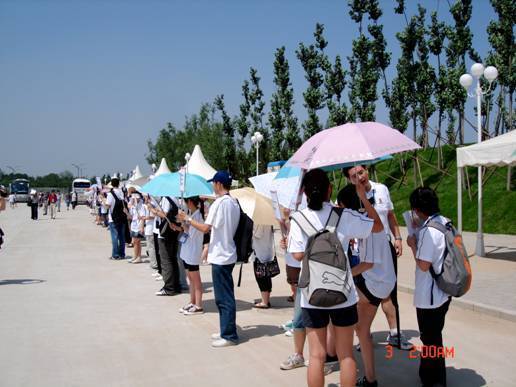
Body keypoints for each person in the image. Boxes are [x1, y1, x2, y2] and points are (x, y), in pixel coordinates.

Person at [287, 169, 383, 387]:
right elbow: (377, 226)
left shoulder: (298, 219)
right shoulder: (343, 216)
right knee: (346, 355)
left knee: (317, 356)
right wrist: (363, 197)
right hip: (344, 293)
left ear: (304, 192)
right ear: (329, 190)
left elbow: (297, 255)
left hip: (312, 294)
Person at [343, 164, 412, 350]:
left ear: (366, 171)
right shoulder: (348, 198)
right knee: (362, 298)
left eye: (361, 172)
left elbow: (390, 215)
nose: (359, 177)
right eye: (354, 175)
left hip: (382, 248)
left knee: (388, 293)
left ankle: (395, 333)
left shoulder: (381, 189)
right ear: (349, 180)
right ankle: (364, 336)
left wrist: (397, 237)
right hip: (359, 252)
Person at [337, 184, 396, 387]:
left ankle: (368, 376)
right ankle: (369, 376)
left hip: (375, 283)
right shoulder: (367, 220)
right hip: (382, 280)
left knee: (357, 325)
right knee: (362, 329)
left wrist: (346, 274)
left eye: (341, 206)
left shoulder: (369, 226)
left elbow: (368, 263)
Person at [178, 170, 240, 348]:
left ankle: (229, 335)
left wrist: (188, 219)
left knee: (224, 297)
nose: (212, 186)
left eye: (214, 183)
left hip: (222, 255)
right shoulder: (233, 202)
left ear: (219, 184)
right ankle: (225, 329)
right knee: (224, 296)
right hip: (227, 252)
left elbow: (205, 228)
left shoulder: (220, 203)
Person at [406, 187, 451, 387]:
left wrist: (412, 244)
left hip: (430, 295)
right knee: (434, 336)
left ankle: (435, 380)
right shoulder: (446, 222)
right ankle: (432, 376)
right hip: (444, 290)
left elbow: (423, 265)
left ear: (417, 209)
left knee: (430, 338)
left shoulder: (428, 232)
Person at [178, 196, 206, 315]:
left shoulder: (198, 216)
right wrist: (182, 223)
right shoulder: (193, 214)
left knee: (196, 279)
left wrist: (186, 221)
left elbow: (193, 234)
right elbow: (187, 231)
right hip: (187, 251)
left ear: (189, 202)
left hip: (193, 251)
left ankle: (198, 305)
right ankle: (192, 301)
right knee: (190, 278)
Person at [153, 194, 182, 296]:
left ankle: (169, 287)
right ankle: (176, 285)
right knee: (173, 259)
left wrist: (154, 211)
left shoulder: (167, 198)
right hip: (173, 232)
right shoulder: (176, 198)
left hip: (166, 233)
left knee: (166, 261)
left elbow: (164, 214)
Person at [102, 178, 127, 260]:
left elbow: (108, 206)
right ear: (118, 184)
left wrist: (103, 200)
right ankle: (122, 254)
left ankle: (115, 255)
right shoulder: (122, 192)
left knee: (115, 237)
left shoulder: (110, 194)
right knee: (122, 237)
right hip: (122, 217)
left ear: (112, 184)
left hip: (113, 218)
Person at [252, 225, 275, 309]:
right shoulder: (268, 219)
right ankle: (266, 300)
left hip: (260, 253)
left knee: (261, 278)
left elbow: (257, 234)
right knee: (266, 277)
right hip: (266, 251)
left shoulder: (260, 221)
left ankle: (264, 302)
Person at [127, 193, 145, 264]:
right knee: (136, 242)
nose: (133, 200)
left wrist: (142, 227)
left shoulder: (142, 205)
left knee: (136, 241)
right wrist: (127, 213)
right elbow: (131, 217)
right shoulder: (133, 206)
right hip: (133, 225)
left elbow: (142, 217)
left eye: (135, 199)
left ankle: (137, 257)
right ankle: (137, 256)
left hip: (139, 225)